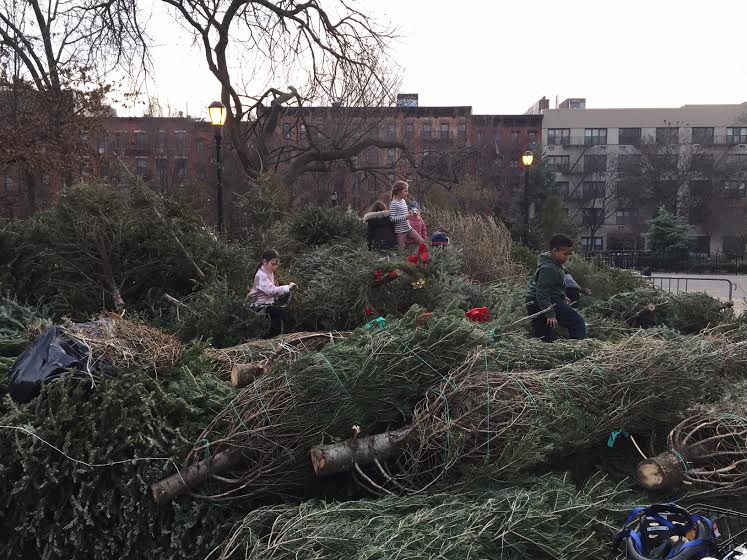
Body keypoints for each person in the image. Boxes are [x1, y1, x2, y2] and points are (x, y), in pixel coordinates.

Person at [525, 234, 587, 342]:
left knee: (543, 336)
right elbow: (542, 292)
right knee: (577, 323)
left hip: (534, 301)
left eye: (569, 254)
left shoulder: (554, 262)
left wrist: (562, 296)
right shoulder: (548, 268)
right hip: (542, 301)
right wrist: (550, 314)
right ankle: (577, 348)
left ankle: (544, 348)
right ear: (554, 250)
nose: (567, 257)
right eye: (565, 254)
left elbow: (553, 286)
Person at [248, 249, 297, 337]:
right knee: (278, 313)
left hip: (266, 304)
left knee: (282, 313)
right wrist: (288, 287)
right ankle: (274, 337)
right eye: (273, 264)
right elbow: (272, 291)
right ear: (265, 262)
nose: (275, 267)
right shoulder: (262, 275)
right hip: (258, 305)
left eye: (277, 264)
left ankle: (276, 336)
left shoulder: (268, 271)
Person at [389, 181, 424, 250]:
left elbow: (404, 213)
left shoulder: (403, 201)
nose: (407, 193)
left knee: (421, 241)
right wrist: (406, 217)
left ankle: (419, 254)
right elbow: (392, 219)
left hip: (408, 228)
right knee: (401, 250)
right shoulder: (393, 203)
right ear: (399, 191)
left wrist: (412, 214)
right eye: (405, 191)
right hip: (400, 231)